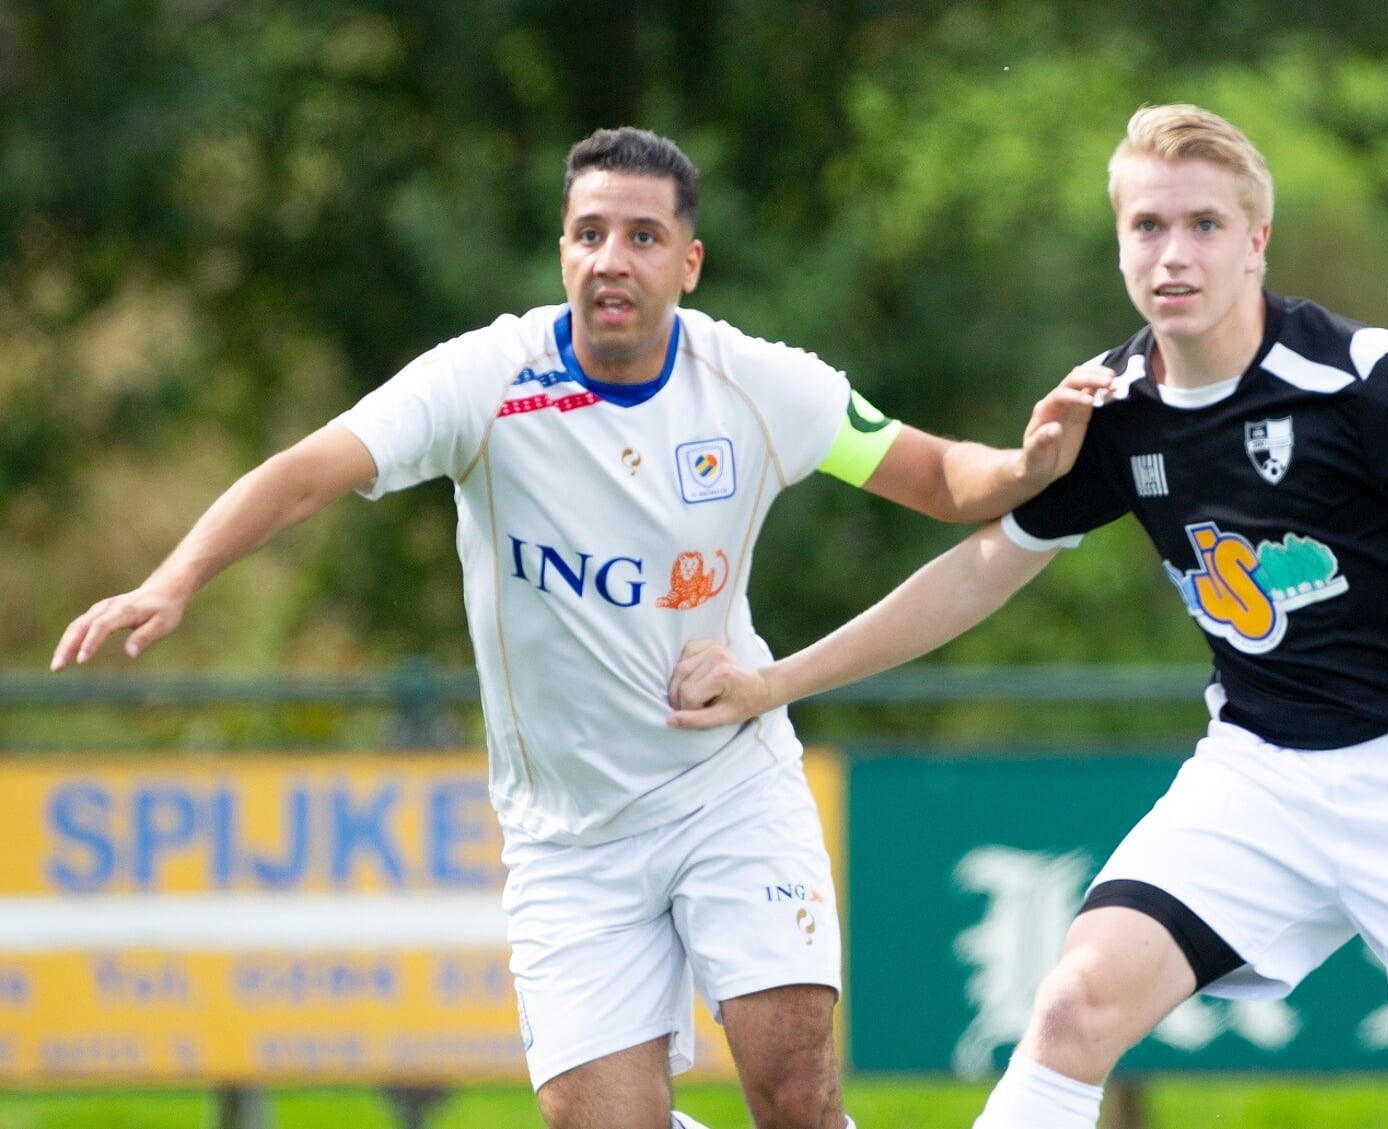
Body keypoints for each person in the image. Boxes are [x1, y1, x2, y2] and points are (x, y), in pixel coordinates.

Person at [50, 126, 1105, 1129]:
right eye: (589, 232)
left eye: (642, 237)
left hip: (727, 787)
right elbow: (304, 473)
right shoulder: (485, 379)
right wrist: (175, 578)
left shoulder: (754, 383)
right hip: (567, 838)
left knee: (790, 1094)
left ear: (688, 263)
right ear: (560, 248)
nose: (612, 259)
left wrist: (1027, 466)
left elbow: (939, 478)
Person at [666, 104, 1388, 1129]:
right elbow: (977, 572)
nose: (1174, 254)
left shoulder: (1358, 377)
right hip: (1261, 777)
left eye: (1205, 226)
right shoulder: (1111, 409)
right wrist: (774, 680)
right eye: (1147, 227)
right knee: (1076, 1001)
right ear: (1118, 241)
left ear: (1256, 241)